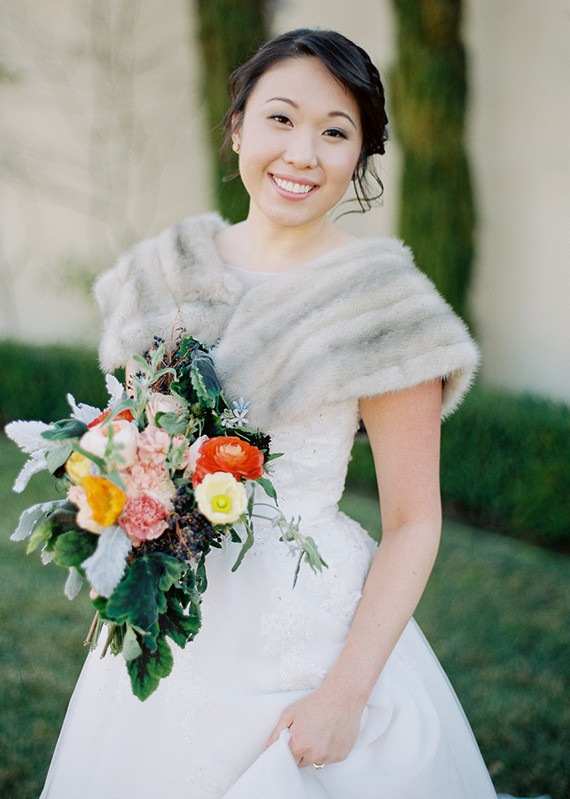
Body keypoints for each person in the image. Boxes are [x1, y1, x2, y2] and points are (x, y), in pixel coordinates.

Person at [40, 28, 498, 798]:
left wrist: (345, 694)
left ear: (362, 156)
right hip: (174, 618)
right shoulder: (166, 274)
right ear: (238, 125)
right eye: (280, 118)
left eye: (335, 131)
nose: (302, 154)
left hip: (308, 634)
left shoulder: (382, 309)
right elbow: (134, 440)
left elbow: (415, 523)